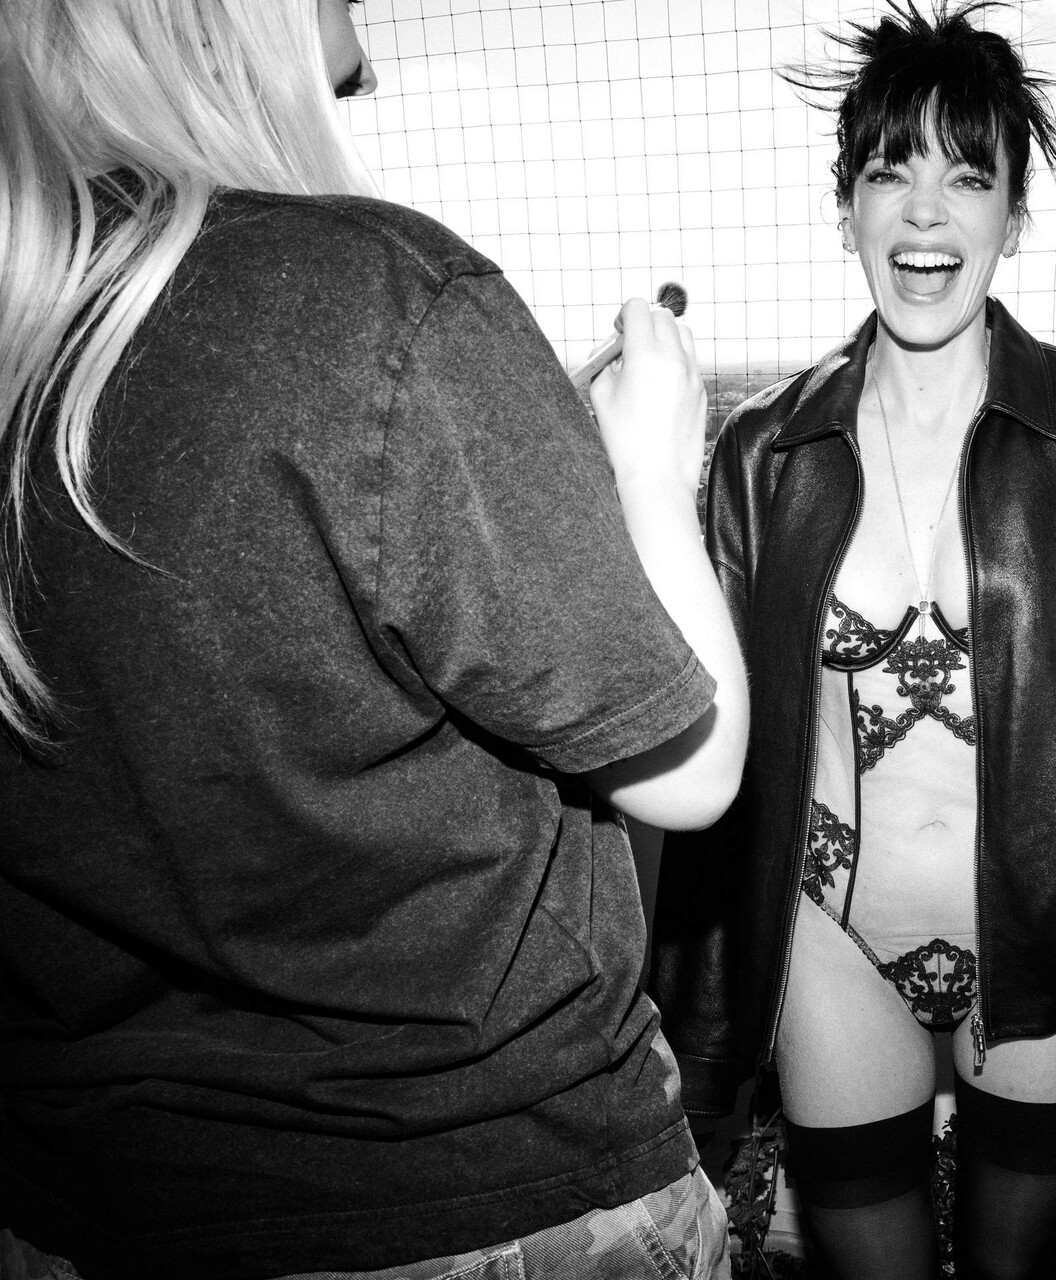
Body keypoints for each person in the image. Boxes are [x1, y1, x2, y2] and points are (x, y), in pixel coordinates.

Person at [0, 3, 747, 1277]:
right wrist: (649, 470)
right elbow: (692, 765)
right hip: (479, 1188)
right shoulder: (382, 297)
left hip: (88, 1198)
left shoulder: (31, 322)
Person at [647, 4, 1056, 1276]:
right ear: (844, 203)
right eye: (888, 170)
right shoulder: (763, 450)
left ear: (1015, 213)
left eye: (968, 175)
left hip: (1048, 958)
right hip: (832, 947)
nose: (924, 213)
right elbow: (699, 746)